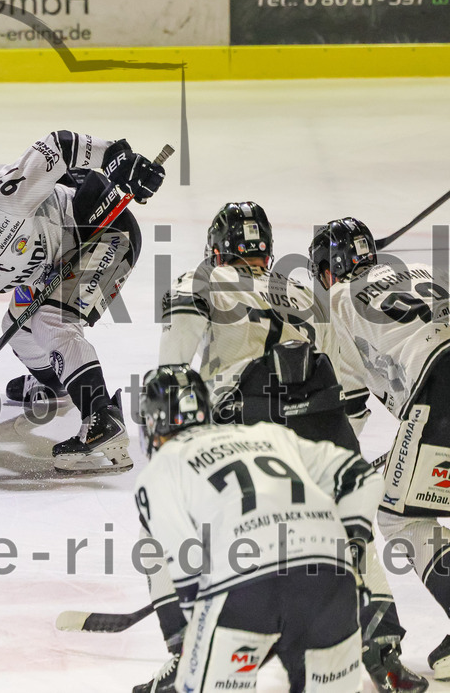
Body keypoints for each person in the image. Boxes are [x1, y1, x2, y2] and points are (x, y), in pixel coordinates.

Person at [138, 201, 426, 693]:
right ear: (266, 251)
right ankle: (383, 649)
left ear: (217, 248)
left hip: (247, 417)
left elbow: (173, 375)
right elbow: (350, 393)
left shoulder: (199, 280)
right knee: (349, 535)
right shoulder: (302, 292)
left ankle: (189, 652)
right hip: (322, 410)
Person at [0, 129, 165, 472]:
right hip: (52, 267)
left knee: (51, 320)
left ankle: (101, 419)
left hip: (101, 231)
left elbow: (58, 146)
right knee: (17, 329)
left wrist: (116, 157)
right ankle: (56, 386)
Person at [135, 363, 384, 693]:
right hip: (331, 580)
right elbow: (363, 477)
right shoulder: (269, 434)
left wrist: (191, 643)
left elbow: (186, 571)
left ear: (152, 422)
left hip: (243, 587)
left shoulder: (161, 470)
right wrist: (348, 547)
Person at [311, 217, 450, 682]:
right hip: (438, 389)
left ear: (327, 272)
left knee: (399, 516)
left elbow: (348, 409)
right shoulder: (419, 271)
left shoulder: (337, 303)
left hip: (441, 392)